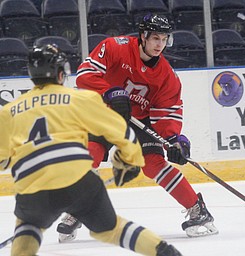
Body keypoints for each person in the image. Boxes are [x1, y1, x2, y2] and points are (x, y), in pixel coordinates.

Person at [0, 44, 182, 256]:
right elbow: (122, 132)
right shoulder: (81, 99)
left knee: (27, 229)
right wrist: (129, 161)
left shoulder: (8, 112)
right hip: (78, 182)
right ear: (61, 73)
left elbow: (3, 161)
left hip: (32, 188)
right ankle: (166, 253)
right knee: (113, 229)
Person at [57, 13, 218, 241]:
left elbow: (167, 112)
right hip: (106, 112)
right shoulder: (115, 47)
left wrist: (174, 140)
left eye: (163, 39)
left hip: (139, 120)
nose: (159, 44)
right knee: (90, 152)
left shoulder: (167, 76)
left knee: (154, 164)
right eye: (155, 38)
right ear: (142, 36)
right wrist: (109, 91)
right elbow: (85, 74)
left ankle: (197, 209)